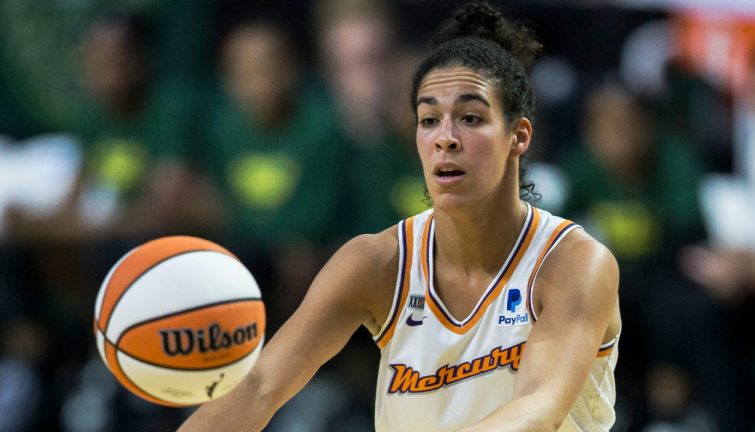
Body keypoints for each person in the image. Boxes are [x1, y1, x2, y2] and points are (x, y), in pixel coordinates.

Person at [179, 2, 621, 431]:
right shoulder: (378, 263)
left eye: (470, 118)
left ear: (518, 136)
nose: (445, 138)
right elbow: (258, 387)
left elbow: (537, 412)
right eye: (428, 120)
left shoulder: (573, 263)